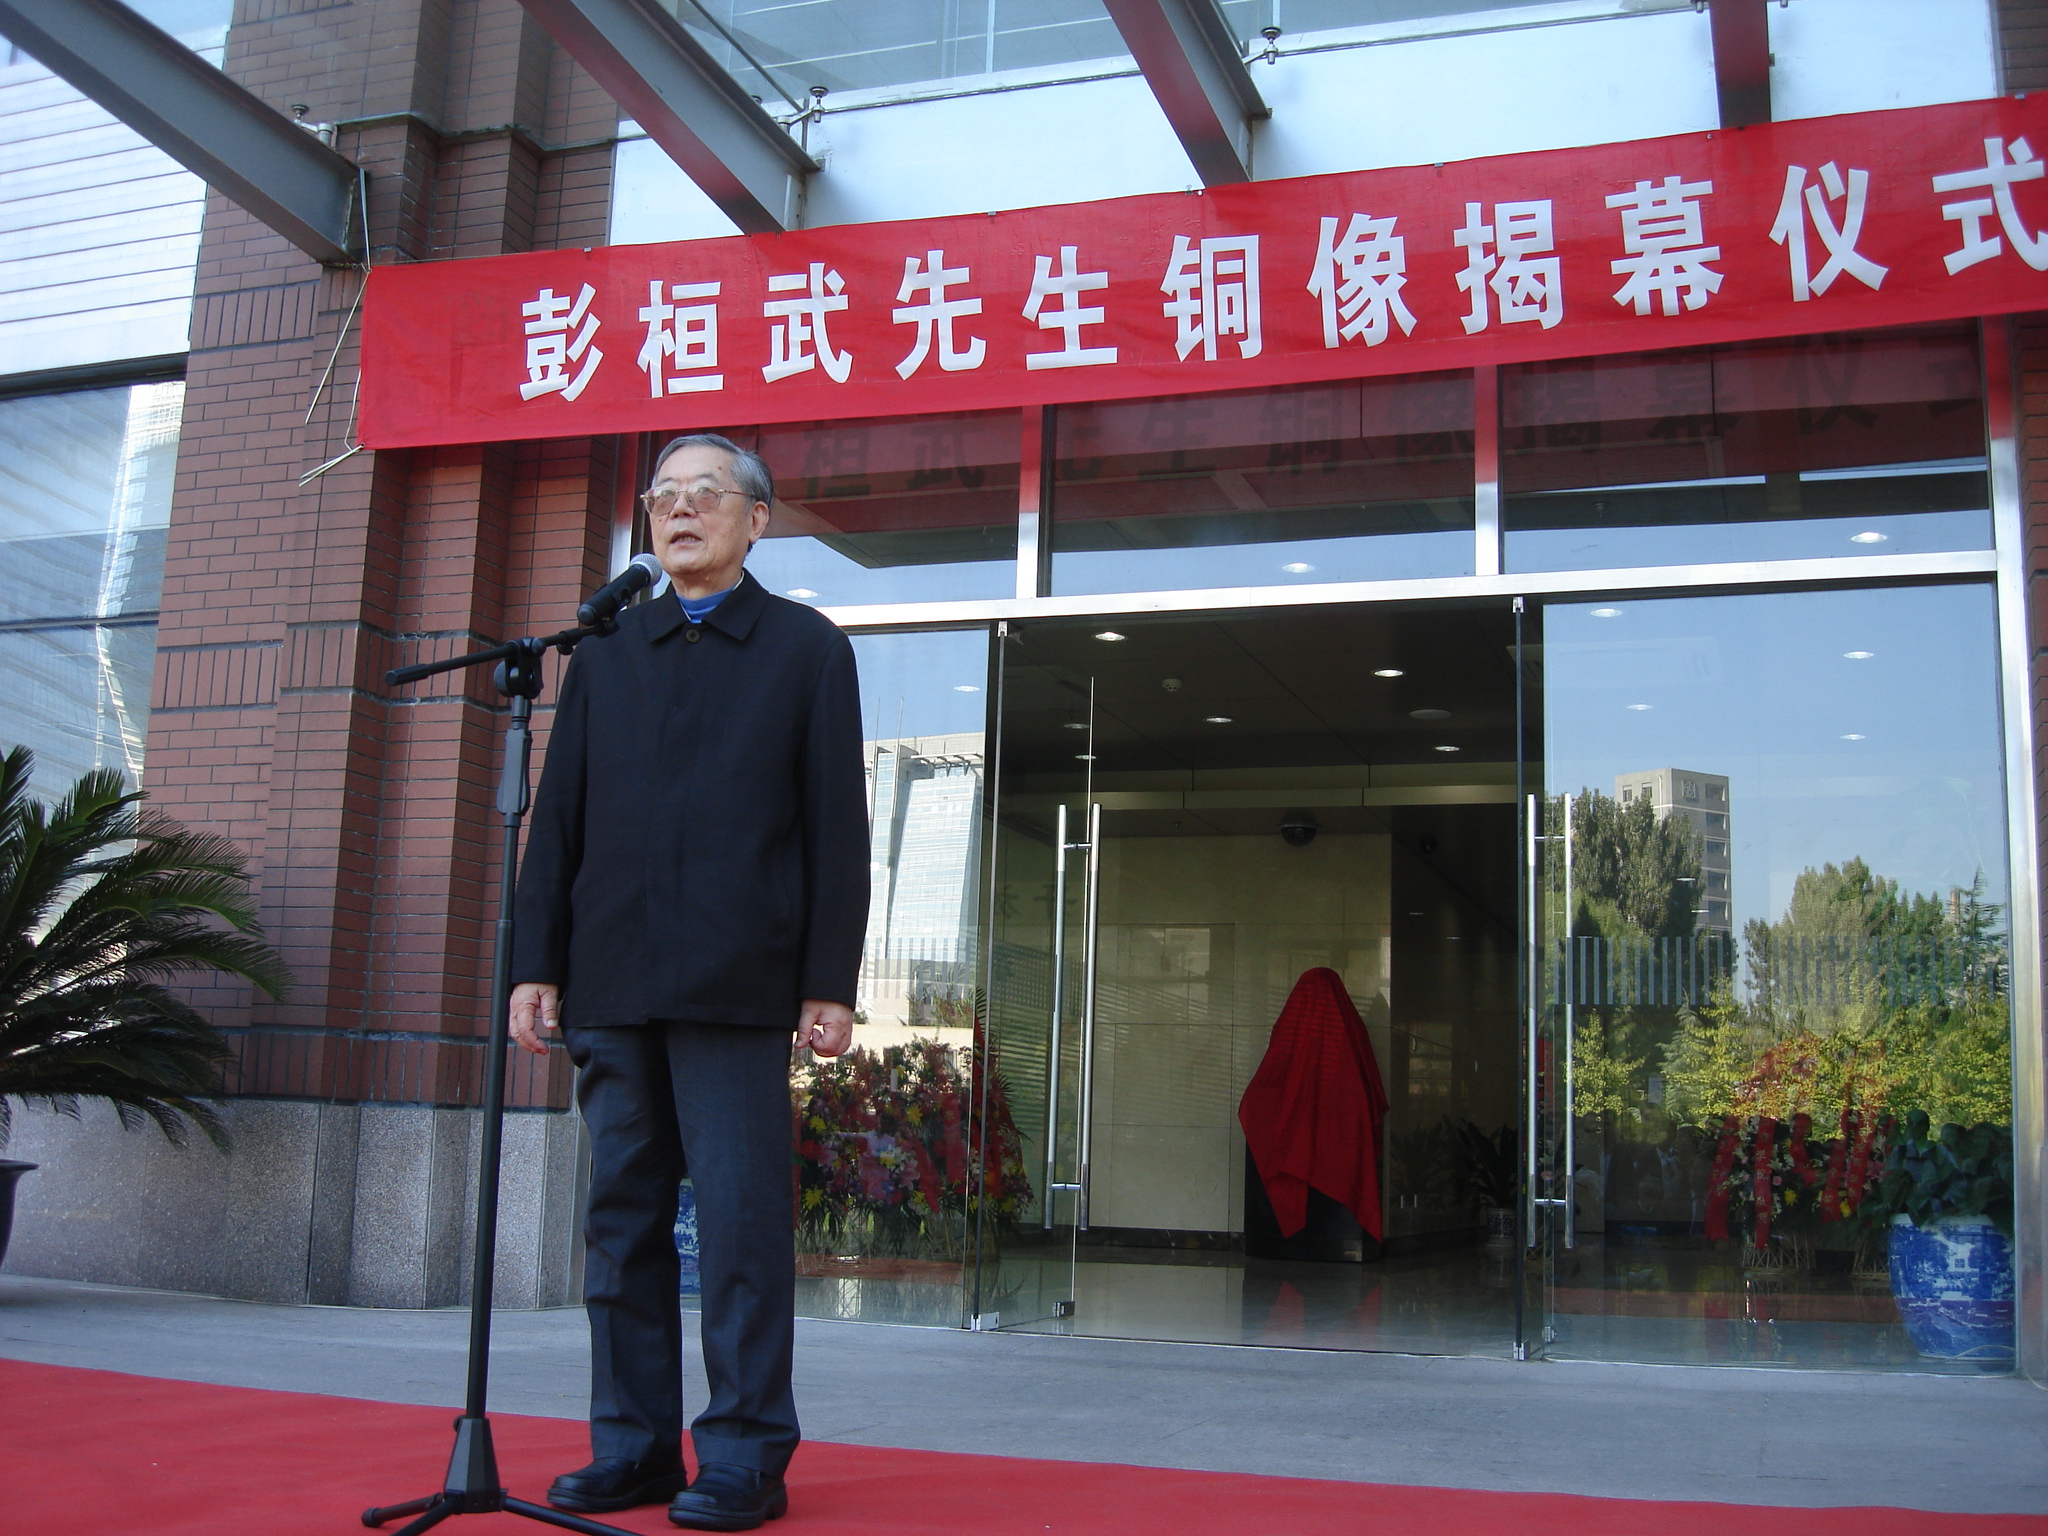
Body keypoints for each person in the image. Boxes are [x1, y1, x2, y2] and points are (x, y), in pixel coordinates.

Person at [507, 432, 868, 1531]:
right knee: (620, 1225)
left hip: (737, 984)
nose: (677, 511)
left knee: (742, 1229)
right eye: (662, 495)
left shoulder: (804, 648)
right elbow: (559, 819)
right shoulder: (608, 649)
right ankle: (633, 1448)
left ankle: (745, 1455)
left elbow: (836, 827)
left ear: (755, 520)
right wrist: (536, 964)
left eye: (704, 494)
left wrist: (828, 979)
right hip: (613, 980)